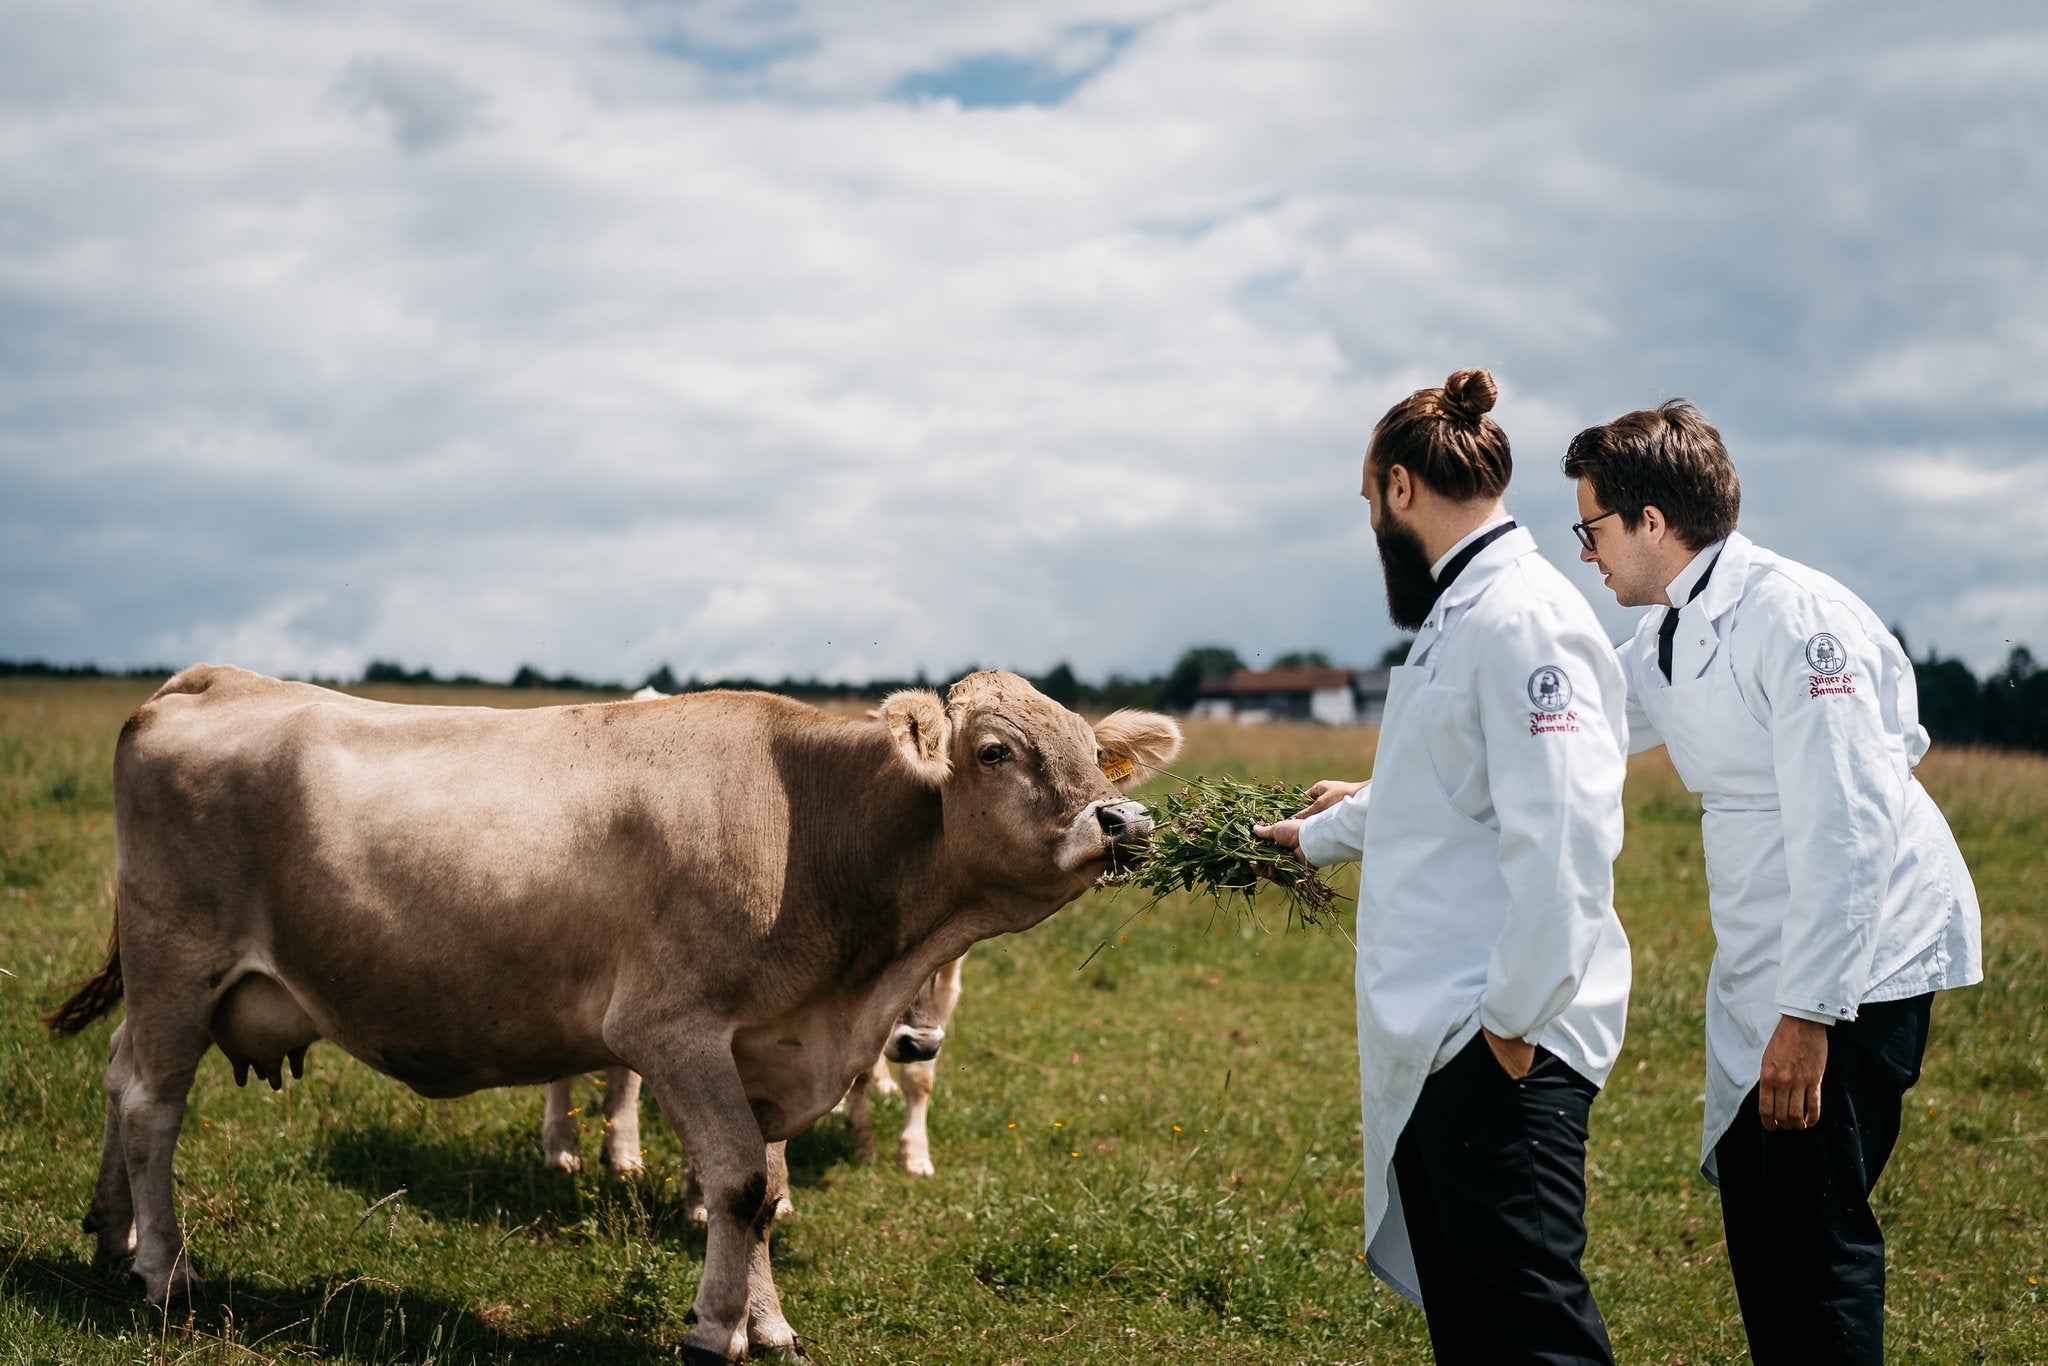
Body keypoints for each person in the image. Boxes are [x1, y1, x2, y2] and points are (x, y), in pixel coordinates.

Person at [1563, 399, 1982, 1364]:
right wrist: (1378, 796)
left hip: (1859, 965)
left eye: (1591, 528)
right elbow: (1559, 744)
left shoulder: (1795, 618)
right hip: (1778, 955)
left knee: (1812, 1239)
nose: (1587, 552)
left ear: (1652, 524)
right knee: (1762, 1222)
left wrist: (1808, 1015)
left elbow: (1848, 824)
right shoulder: (1674, 628)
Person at [1255, 368, 1631, 1365]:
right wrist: (1315, 835)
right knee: (1475, 1330)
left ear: (1397, 489)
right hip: (1443, 1038)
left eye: (1367, 501)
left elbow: (1563, 835)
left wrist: (1509, 1026)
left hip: (1494, 1039)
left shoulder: (1522, 618)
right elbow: (1444, 790)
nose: (1371, 521)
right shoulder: (1464, 609)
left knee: (1532, 1331)